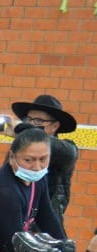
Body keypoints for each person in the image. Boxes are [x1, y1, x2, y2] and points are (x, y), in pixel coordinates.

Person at [12, 93, 79, 226]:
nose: (31, 124)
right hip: (15, 218)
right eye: (28, 119)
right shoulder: (20, 149)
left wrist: (23, 130)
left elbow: (67, 153)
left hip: (43, 228)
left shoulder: (64, 149)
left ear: (54, 126)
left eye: (37, 121)